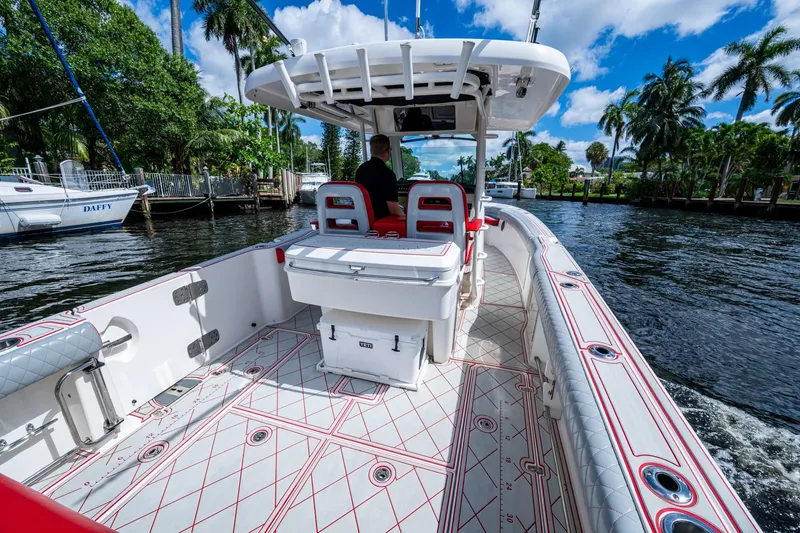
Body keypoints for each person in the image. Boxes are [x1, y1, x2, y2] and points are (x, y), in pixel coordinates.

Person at [355, 134, 405, 220]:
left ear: (371, 151)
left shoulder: (361, 170)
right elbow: (393, 209)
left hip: (361, 220)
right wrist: (408, 217)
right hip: (381, 221)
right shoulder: (388, 174)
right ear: (388, 151)